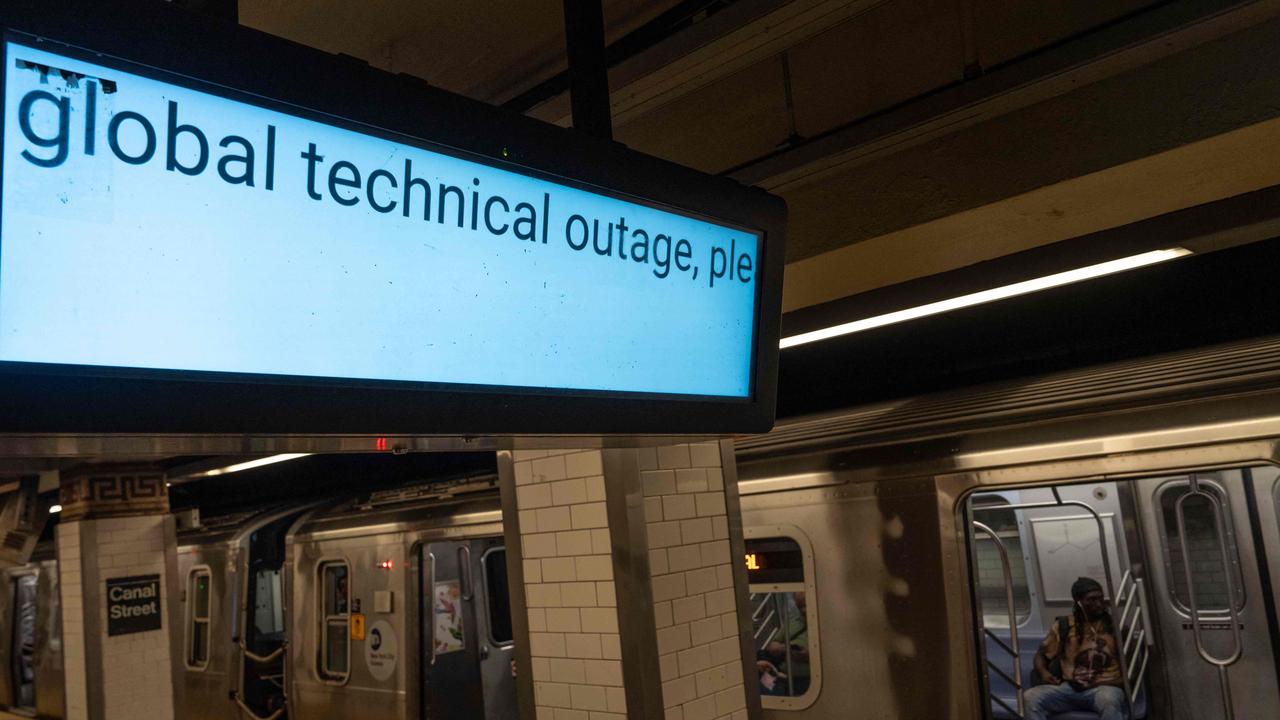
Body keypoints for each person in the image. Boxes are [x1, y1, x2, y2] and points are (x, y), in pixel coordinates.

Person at [1024, 577, 1128, 720]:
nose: (1098, 604)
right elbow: (1041, 655)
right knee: (1030, 697)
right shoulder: (1064, 626)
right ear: (1078, 602)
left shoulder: (1116, 628)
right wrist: (1043, 673)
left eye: (1100, 598)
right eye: (1091, 600)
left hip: (1104, 688)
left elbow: (1130, 674)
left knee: (1108, 699)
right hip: (1070, 688)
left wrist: (1098, 683)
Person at [757, 592, 810, 696]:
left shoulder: (826, 625)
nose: (803, 610)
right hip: (781, 673)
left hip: (807, 679)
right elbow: (773, 644)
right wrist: (783, 648)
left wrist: (809, 657)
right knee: (760, 690)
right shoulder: (792, 622)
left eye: (805, 605)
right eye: (800, 606)